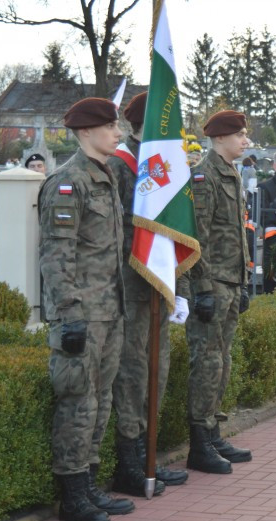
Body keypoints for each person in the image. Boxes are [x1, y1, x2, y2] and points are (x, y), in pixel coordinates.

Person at [39, 97, 133, 521]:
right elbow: (57, 255)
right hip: (82, 314)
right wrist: (69, 313)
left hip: (110, 311)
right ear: (85, 132)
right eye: (111, 127)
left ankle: (90, 483)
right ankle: (72, 495)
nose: (119, 133)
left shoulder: (105, 176)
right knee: (78, 403)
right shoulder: (67, 182)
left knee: (101, 401)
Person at [107, 91, 189, 498]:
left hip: (156, 285)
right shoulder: (121, 167)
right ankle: (129, 463)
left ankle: (148, 458)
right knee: (133, 375)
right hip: (130, 287)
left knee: (157, 371)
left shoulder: (163, 164)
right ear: (146, 124)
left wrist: (178, 284)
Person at [185, 110, 253, 474]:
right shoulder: (203, 175)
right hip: (211, 284)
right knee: (207, 362)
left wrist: (241, 283)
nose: (245, 140)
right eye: (239, 134)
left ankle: (212, 431)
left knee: (222, 360)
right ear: (220, 138)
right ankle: (199, 444)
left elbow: (236, 234)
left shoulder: (232, 173)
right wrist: (203, 288)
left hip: (230, 282)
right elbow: (199, 237)